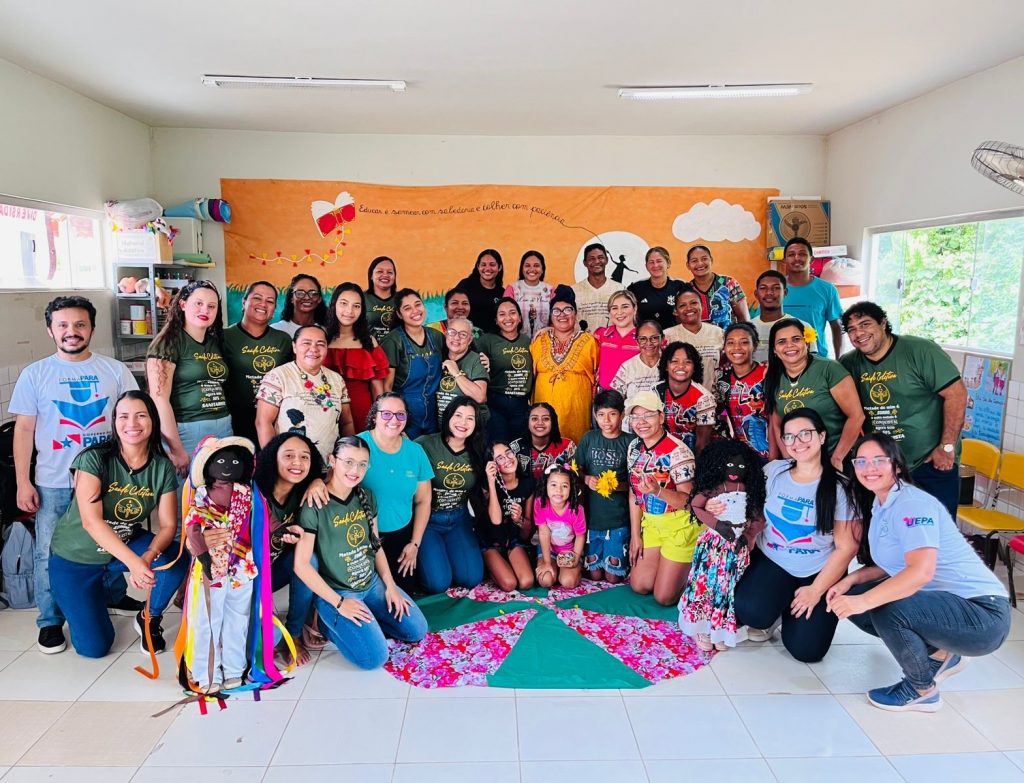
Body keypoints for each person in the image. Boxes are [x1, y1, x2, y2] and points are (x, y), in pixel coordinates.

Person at [829, 434, 1011, 712]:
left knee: (884, 608)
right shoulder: (882, 503)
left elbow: (920, 572)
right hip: (948, 604)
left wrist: (865, 601)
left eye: (880, 460)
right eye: (861, 461)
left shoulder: (912, 505)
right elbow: (896, 563)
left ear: (897, 466)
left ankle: (921, 689)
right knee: (858, 598)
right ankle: (941, 655)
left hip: (984, 615)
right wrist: (852, 581)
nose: (869, 468)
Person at [11, 296, 140, 654]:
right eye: (64, 325)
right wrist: (24, 481)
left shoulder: (115, 371)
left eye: (80, 325)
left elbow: (134, 422)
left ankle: (114, 594)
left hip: (107, 478)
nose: (72, 332)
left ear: (92, 329)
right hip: (55, 483)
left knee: (113, 541)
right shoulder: (35, 374)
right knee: (48, 553)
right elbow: (23, 432)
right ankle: (50, 621)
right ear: (50, 329)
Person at [48, 391, 188, 658]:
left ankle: (149, 618)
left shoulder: (162, 467)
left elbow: (169, 525)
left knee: (176, 558)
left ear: (153, 421)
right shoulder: (93, 459)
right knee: (94, 648)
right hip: (76, 556)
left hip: (123, 545)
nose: (132, 424)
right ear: (114, 422)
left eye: (140, 416)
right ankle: (82, 602)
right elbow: (91, 522)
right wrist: (136, 564)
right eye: (123, 416)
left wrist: (147, 556)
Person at [732, 409, 859, 661]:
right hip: (774, 560)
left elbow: (847, 549)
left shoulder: (840, 488)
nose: (797, 442)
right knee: (751, 612)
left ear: (822, 436)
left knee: (807, 651)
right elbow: (751, 512)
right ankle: (774, 607)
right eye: (789, 437)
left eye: (805, 434)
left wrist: (815, 590)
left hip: (817, 570)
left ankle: (788, 608)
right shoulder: (774, 471)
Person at [294, 435, 427, 670]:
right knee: (374, 658)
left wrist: (391, 586)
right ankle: (323, 621)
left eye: (362, 464)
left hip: (371, 583)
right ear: (332, 460)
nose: (355, 470)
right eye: (348, 462)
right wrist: (339, 602)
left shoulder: (366, 496)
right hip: (340, 591)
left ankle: (369, 620)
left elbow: (375, 546)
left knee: (417, 630)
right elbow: (301, 565)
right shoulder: (315, 502)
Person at [839, 301, 967, 519]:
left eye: (865, 324)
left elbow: (957, 395)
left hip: (929, 463)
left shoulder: (919, 350)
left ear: (883, 323)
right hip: (882, 467)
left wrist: (946, 447)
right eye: (851, 329)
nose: (859, 333)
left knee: (936, 536)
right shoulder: (849, 363)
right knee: (888, 536)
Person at [181, 436, 261, 694]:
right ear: (208, 466)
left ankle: (235, 669)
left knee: (238, 619)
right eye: (221, 460)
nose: (228, 465)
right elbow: (192, 529)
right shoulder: (202, 496)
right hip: (210, 567)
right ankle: (207, 673)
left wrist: (279, 532)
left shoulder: (248, 495)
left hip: (242, 567)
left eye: (235, 460)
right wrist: (203, 556)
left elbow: (262, 520)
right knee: (207, 619)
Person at [678, 441, 766, 651]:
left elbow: (757, 516)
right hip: (713, 546)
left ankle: (719, 629)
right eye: (729, 466)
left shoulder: (750, 489)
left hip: (735, 546)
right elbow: (696, 506)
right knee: (706, 586)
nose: (735, 471)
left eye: (741, 467)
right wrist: (716, 524)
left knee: (727, 589)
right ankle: (701, 626)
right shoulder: (714, 488)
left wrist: (749, 535)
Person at [146, 280, 232, 478]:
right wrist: (176, 448)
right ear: (183, 305)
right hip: (187, 429)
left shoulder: (215, 342)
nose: (205, 310)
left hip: (223, 426)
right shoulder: (167, 341)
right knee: (185, 496)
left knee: (216, 496)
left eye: (212, 306)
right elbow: (159, 398)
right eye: (199, 303)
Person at [253, 432, 325, 666]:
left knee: (308, 558)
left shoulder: (303, 491)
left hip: (277, 571)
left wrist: (317, 480)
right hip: (247, 576)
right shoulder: (254, 492)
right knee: (264, 644)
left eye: (305, 457)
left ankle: (293, 632)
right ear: (273, 458)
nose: (298, 463)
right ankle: (267, 622)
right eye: (289, 456)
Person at [626, 391, 699, 606]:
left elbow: (689, 502)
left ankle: (697, 567)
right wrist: (635, 536)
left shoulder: (679, 452)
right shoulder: (633, 448)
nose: (641, 422)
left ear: (661, 416)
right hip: (651, 523)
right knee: (640, 585)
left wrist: (658, 491)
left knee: (664, 597)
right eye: (635, 417)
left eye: (648, 415)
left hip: (679, 524)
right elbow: (634, 494)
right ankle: (669, 569)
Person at [358, 394, 434, 595]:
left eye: (400, 415)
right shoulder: (357, 445)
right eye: (387, 414)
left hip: (401, 537)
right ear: (375, 416)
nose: (394, 420)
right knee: (372, 601)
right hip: (361, 538)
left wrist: (414, 544)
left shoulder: (415, 451)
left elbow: (424, 501)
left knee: (405, 606)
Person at [764, 318, 864, 468]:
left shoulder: (829, 369)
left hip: (837, 459)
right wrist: (790, 460)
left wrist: (837, 458)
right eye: (782, 341)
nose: (789, 345)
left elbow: (856, 416)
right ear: (774, 350)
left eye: (796, 339)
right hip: (801, 465)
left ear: (807, 342)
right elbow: (777, 425)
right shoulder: (773, 377)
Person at [415, 397, 486, 594]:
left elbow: (478, 493)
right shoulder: (425, 444)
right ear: (448, 417)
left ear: (476, 424)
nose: (463, 423)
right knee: (438, 584)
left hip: (458, 518)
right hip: (428, 520)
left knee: (471, 578)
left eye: (470, 419)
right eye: (458, 416)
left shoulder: (477, 451)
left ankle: (448, 553)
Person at [255, 325, 354, 464]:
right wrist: (273, 461)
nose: (313, 349)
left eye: (320, 344)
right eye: (306, 343)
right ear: (294, 346)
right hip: (290, 464)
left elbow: (347, 422)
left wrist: (349, 457)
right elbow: (263, 422)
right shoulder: (278, 376)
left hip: (328, 463)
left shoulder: (336, 379)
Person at [222, 281, 294, 442]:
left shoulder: (283, 340)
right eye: (257, 298)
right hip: (234, 420)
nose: (263, 304)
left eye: (270, 301)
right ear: (244, 301)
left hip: (273, 419)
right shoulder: (223, 337)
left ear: (274, 308)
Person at [577, 390, 633, 584]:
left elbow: (637, 485)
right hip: (593, 520)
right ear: (595, 415)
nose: (606, 420)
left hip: (618, 519)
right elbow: (575, 471)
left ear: (622, 415)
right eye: (601, 415)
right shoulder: (589, 439)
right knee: (594, 575)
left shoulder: (630, 442)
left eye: (612, 414)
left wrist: (616, 486)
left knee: (612, 577)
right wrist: (586, 480)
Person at [530, 290, 599, 444]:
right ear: (550, 316)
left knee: (574, 454)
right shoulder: (539, 340)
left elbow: (599, 376)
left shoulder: (589, 341)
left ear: (575, 314)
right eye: (556, 311)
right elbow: (529, 376)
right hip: (543, 410)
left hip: (577, 410)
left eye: (568, 309)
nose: (562, 314)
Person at [323, 283, 389, 433]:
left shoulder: (368, 341)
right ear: (334, 304)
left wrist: (379, 421)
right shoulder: (320, 337)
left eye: (356, 306)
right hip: (324, 409)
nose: (349, 311)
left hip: (361, 412)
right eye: (344, 304)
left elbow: (377, 389)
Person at [380, 288, 443, 439]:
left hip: (435, 414)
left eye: (418, 305)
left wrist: (482, 359)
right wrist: (395, 421)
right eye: (407, 308)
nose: (415, 311)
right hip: (407, 416)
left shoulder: (437, 336)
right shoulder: (393, 341)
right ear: (399, 314)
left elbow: (460, 356)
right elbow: (386, 387)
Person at [480, 441, 536, 592]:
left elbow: (526, 533)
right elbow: (496, 520)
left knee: (526, 582)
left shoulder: (528, 484)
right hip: (491, 542)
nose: (507, 459)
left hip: (512, 540)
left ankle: (505, 563)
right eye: (500, 458)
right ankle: (491, 566)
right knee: (509, 584)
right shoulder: (487, 486)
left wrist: (520, 520)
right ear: (493, 465)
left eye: (509, 453)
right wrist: (491, 482)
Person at [478, 297, 533, 443]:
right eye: (502, 314)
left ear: (520, 318)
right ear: (496, 320)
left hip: (521, 405)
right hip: (495, 404)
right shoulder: (486, 341)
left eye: (512, 313)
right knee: (498, 447)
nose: (508, 318)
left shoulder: (529, 341)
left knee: (519, 447)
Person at [781, 238, 843, 358]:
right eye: (791, 255)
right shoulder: (774, 288)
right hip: (782, 358)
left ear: (811, 259)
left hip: (817, 359)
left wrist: (839, 359)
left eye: (802, 254)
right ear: (785, 260)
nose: (797, 258)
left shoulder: (827, 289)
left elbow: (837, 327)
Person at [716, 323, 769, 461]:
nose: (737, 348)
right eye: (731, 343)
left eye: (744, 342)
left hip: (769, 451)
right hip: (739, 455)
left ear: (755, 345)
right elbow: (721, 412)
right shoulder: (722, 378)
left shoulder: (766, 373)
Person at [655, 342, 716, 456]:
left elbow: (702, 443)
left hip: (690, 456)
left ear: (694, 368)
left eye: (688, 362)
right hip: (660, 456)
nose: (681, 366)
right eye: (674, 361)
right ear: (666, 366)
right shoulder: (655, 391)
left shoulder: (704, 398)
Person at [535, 464, 587, 589]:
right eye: (553, 485)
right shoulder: (540, 503)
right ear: (545, 486)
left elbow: (580, 536)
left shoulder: (576, 509)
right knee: (545, 580)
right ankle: (552, 566)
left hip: (569, 551)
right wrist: (547, 562)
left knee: (568, 582)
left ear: (571, 488)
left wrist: (575, 556)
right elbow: (543, 532)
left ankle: (573, 570)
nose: (558, 490)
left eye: (564, 486)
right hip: (549, 550)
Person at [664, 286, 725, 390]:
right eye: (682, 305)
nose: (689, 308)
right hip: (680, 399)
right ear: (676, 311)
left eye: (693, 303)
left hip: (714, 398)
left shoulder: (718, 333)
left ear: (703, 306)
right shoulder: (667, 335)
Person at [751, 270, 818, 363]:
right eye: (763, 288)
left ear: (785, 292)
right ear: (756, 294)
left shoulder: (803, 327)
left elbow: (811, 364)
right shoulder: (748, 329)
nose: (769, 292)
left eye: (776, 288)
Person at [611, 320, 664, 432]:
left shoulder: (670, 363)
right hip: (634, 426)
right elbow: (616, 400)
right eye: (643, 339)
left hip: (662, 423)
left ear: (662, 339)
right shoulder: (627, 367)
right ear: (637, 341)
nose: (648, 343)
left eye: (654, 338)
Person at [437, 317, 489, 425]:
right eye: (452, 332)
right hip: (440, 425)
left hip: (468, 426)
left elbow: (480, 397)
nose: (456, 337)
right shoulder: (437, 356)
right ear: (446, 334)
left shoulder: (476, 360)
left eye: (463, 334)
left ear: (470, 340)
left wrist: (456, 373)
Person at [685, 244, 750, 329]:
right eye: (694, 260)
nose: (700, 263)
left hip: (728, 339)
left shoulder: (728, 283)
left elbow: (744, 319)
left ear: (711, 260)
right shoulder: (687, 289)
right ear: (688, 265)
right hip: (698, 340)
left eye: (704, 259)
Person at [511, 402, 577, 481]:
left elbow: (575, 479)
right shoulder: (514, 448)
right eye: (534, 419)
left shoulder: (567, 446)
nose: (540, 423)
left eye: (546, 419)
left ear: (553, 422)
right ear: (527, 422)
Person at [627, 246, 688, 331]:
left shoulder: (680, 286)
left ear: (668, 263)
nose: (655, 265)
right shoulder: (636, 287)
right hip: (645, 340)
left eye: (659, 261)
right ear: (646, 266)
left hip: (673, 338)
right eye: (651, 262)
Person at [593, 290, 639, 392]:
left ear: (635, 309)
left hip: (634, 396)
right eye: (614, 308)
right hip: (604, 395)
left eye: (625, 307)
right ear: (609, 312)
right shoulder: (601, 335)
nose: (619, 312)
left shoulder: (643, 337)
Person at [573, 242, 625, 331]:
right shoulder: (573, 291)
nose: (597, 261)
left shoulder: (619, 289)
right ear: (585, 263)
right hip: (582, 343)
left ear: (607, 260)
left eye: (600, 258)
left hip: (611, 343)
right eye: (591, 258)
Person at [504, 250, 555, 339]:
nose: (532, 269)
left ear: (542, 269)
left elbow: (556, 318)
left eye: (536, 266)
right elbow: (505, 316)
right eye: (527, 265)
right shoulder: (512, 288)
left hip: (545, 341)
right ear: (522, 268)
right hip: (516, 341)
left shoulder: (550, 290)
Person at [456, 249, 505, 334]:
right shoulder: (466, 285)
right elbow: (453, 308)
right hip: (466, 337)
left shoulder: (502, 293)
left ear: (499, 267)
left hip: (491, 340)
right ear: (478, 266)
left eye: (492, 265)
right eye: (483, 265)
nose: (487, 268)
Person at [271, 274, 328, 338]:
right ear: (291, 298)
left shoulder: (327, 331)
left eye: (313, 293)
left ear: (319, 299)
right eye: (300, 293)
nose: (306, 298)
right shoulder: (276, 330)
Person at [365, 256, 398, 341]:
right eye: (380, 271)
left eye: (390, 272)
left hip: (397, 350)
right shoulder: (361, 298)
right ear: (371, 275)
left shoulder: (402, 299)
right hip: (369, 350)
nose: (385, 275)